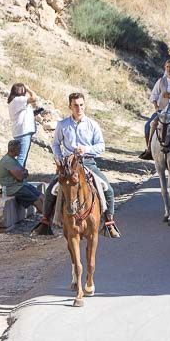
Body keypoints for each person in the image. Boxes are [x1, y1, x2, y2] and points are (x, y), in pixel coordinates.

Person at [33, 92, 121, 238]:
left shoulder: (93, 125)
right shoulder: (63, 125)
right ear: (70, 107)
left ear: (84, 105)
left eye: (81, 105)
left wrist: (86, 149)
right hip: (68, 164)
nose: (79, 108)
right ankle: (45, 221)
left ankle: (109, 222)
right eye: (75, 105)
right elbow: (55, 144)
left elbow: (101, 146)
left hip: (88, 162)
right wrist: (60, 159)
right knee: (51, 190)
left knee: (108, 189)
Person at [0, 139, 41, 210]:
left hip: (20, 185)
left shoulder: (12, 159)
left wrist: (23, 172)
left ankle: (50, 216)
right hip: (14, 189)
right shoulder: (8, 161)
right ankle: (46, 218)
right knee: (37, 201)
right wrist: (24, 173)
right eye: (19, 148)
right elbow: (20, 177)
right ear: (14, 149)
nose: (20, 150)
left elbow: (23, 171)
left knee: (41, 196)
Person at [7, 83, 41, 168]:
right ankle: (18, 177)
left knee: (21, 156)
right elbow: (34, 98)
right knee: (22, 157)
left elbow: (22, 114)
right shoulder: (18, 99)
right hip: (23, 132)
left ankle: (18, 176)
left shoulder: (15, 101)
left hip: (20, 131)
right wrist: (29, 89)